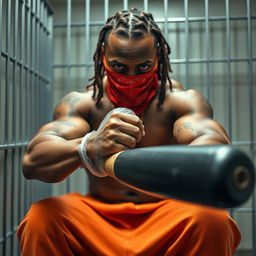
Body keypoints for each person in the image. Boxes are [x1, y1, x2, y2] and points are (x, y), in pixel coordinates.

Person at [17, 8, 241, 256]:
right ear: (103, 56)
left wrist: (171, 164)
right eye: (119, 67)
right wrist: (90, 146)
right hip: (99, 217)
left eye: (143, 66)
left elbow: (216, 146)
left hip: (165, 213)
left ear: (158, 56)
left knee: (212, 219)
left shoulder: (180, 101)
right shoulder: (84, 103)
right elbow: (33, 161)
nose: (131, 77)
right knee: (42, 217)